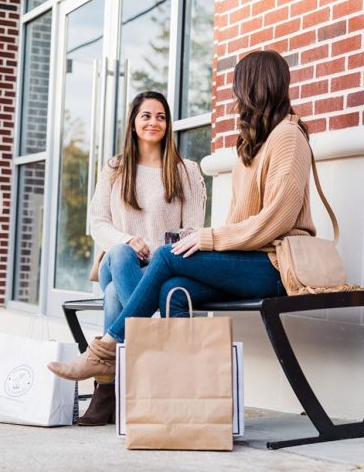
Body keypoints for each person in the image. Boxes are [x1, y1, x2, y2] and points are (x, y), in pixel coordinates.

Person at [48, 49, 315, 385]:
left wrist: (209, 239)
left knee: (165, 256)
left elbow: (275, 221)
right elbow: (238, 220)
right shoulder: (256, 143)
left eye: (238, 87)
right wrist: (214, 244)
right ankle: (176, 390)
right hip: (248, 259)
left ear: (254, 87)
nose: (234, 96)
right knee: (173, 287)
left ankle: (107, 350)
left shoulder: (288, 138)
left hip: (275, 265)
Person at [48, 90, 206, 425]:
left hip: (161, 267)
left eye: (161, 116)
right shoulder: (115, 168)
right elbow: (97, 222)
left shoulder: (186, 171)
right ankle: (151, 353)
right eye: (146, 115)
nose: (154, 122)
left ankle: (106, 392)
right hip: (117, 261)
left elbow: (193, 229)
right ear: (134, 122)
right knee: (120, 254)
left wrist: (160, 247)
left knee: (114, 297)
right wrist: (128, 240)